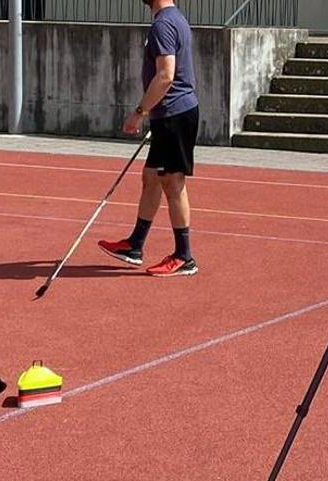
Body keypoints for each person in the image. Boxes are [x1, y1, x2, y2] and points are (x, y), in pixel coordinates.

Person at [98, 0, 200, 277]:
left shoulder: (164, 24)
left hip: (174, 114)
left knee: (172, 181)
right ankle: (135, 244)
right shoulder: (171, 19)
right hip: (169, 114)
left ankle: (184, 256)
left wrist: (139, 113)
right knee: (151, 176)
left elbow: (165, 76)